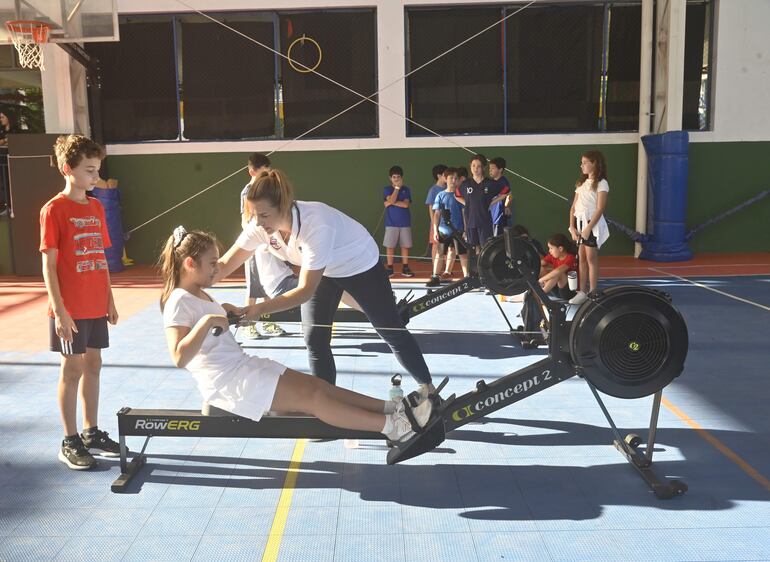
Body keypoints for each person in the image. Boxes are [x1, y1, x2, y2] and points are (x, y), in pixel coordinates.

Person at [159, 228, 434, 445]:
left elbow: (210, 328)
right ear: (190, 264)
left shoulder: (198, 293)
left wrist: (227, 312)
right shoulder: (178, 301)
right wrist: (208, 321)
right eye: (211, 264)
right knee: (314, 398)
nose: (217, 270)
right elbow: (179, 357)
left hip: (243, 367)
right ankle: (395, 428)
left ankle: (394, 407)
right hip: (228, 383)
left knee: (322, 388)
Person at [215, 169, 435, 398]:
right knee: (314, 337)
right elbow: (223, 265)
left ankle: (429, 389)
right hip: (325, 271)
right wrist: (185, 279)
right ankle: (326, 403)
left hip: (359, 265)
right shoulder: (261, 226)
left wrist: (258, 309)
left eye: (264, 215)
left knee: (390, 329)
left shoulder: (316, 224)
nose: (258, 222)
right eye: (255, 214)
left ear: (283, 206)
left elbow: (304, 291)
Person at [39, 134, 120, 470]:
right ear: (67, 169)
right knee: (71, 370)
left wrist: (110, 299)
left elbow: (100, 256)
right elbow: (49, 264)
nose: (95, 177)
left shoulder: (97, 206)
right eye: (89, 170)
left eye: (97, 169)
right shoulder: (54, 209)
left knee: (94, 365)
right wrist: (60, 310)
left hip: (95, 304)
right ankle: (69, 439)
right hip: (69, 309)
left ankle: (90, 431)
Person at [239, 153, 286, 339]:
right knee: (254, 286)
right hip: (254, 245)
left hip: (268, 243)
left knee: (268, 284)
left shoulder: (270, 189)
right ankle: (247, 325)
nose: (266, 177)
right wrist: (256, 238)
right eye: (262, 173)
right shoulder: (248, 191)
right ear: (251, 172)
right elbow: (245, 220)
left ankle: (268, 321)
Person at [568, 150, 610, 305]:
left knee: (591, 258)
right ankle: (582, 292)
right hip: (580, 224)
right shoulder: (581, 184)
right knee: (582, 259)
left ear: (595, 164)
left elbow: (600, 208)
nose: (582, 165)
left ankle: (593, 291)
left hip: (591, 225)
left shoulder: (602, 183)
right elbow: (573, 207)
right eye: (582, 162)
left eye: (585, 162)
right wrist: (572, 227)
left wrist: (588, 228)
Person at [454, 154, 509, 252]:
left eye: (479, 166)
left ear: (483, 167)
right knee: (474, 248)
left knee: (486, 248)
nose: (476, 169)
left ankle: (484, 267)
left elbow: (506, 191)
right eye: (473, 166)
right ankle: (475, 267)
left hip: (485, 222)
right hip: (470, 221)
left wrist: (491, 202)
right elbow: (457, 195)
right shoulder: (466, 184)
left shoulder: (490, 183)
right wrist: (467, 203)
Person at [426, 168, 469, 287]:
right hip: (443, 231)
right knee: (439, 253)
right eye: (451, 178)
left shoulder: (460, 195)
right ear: (445, 179)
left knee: (462, 254)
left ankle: (467, 278)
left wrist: (465, 231)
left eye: (456, 178)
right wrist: (435, 230)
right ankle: (435, 277)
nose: (453, 181)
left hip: (458, 231)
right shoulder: (440, 195)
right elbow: (437, 214)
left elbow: (464, 213)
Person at [382, 165, 414, 278]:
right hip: (391, 223)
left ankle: (405, 267)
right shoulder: (387, 189)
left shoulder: (406, 189)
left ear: (402, 178)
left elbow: (405, 205)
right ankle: (390, 268)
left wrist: (390, 202)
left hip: (405, 223)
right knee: (390, 246)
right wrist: (396, 189)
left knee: (405, 246)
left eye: (398, 177)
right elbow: (390, 199)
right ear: (390, 178)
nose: (396, 179)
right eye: (394, 177)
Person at [539, 233, 578, 299]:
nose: (549, 251)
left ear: (560, 248)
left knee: (559, 273)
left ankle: (539, 295)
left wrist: (541, 280)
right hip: (557, 291)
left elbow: (558, 271)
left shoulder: (570, 258)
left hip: (569, 293)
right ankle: (544, 289)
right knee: (542, 268)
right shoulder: (552, 256)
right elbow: (540, 263)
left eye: (551, 248)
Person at [424, 164, 447, 262]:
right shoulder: (433, 190)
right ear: (439, 176)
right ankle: (435, 268)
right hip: (437, 223)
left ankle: (447, 270)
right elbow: (431, 208)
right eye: (445, 174)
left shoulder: (448, 188)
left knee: (446, 246)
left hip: (447, 223)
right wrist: (434, 224)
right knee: (436, 244)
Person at [488, 157, 512, 237]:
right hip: (490, 217)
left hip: (498, 219)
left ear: (500, 169)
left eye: (493, 168)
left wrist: (506, 206)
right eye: (489, 168)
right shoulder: (490, 182)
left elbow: (509, 195)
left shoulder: (503, 182)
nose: (490, 170)